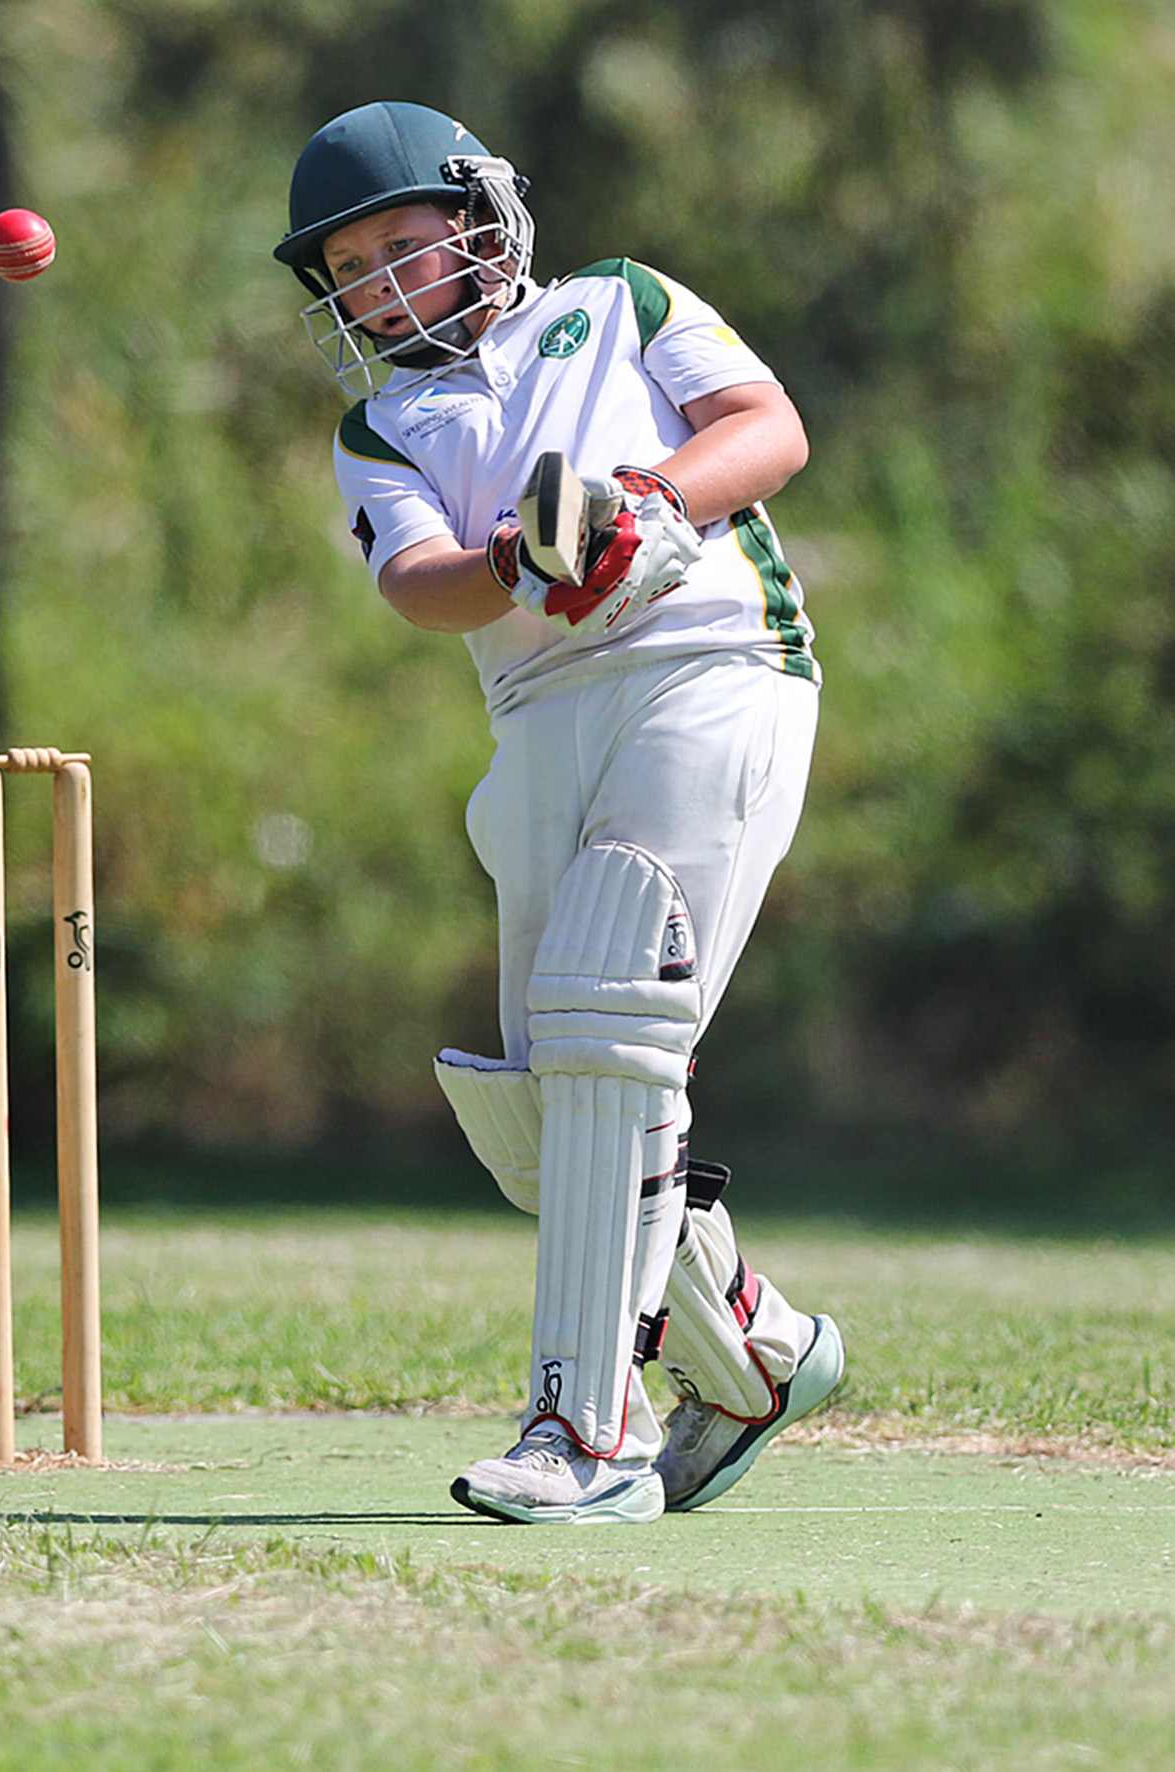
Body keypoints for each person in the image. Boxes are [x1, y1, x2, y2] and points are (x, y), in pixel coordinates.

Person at [275, 101, 845, 1525]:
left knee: (609, 1018)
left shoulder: (620, 303)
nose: (381, 284)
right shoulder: (379, 425)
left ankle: (585, 1432)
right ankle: (759, 1351)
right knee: (546, 1119)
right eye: (350, 268)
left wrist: (644, 507)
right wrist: (527, 563)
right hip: (537, 712)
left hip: (710, 663)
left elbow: (766, 429)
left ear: (482, 219)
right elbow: (420, 588)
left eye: (403, 244)